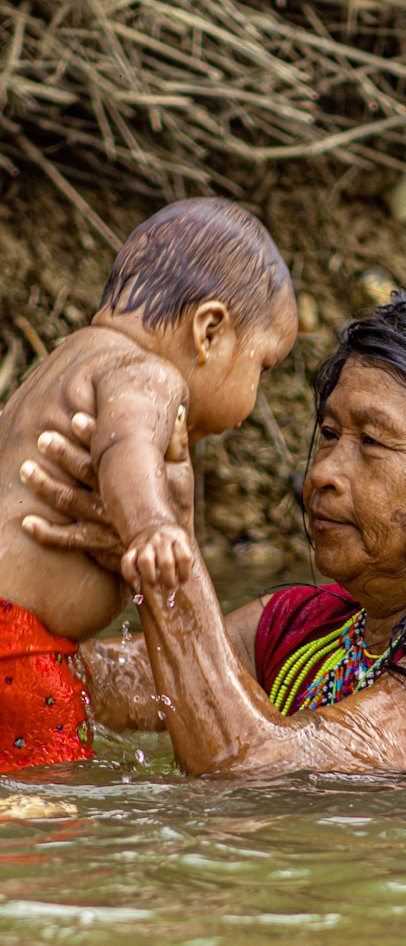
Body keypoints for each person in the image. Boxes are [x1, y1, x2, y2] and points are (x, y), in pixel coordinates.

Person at [21, 279, 406, 776]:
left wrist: (167, 563)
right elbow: (92, 688)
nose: (321, 474)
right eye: (331, 434)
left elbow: (259, 772)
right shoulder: (308, 626)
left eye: (373, 442)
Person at [0, 197, 297, 770]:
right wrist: (153, 524)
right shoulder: (148, 374)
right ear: (209, 330)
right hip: (16, 655)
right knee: (51, 820)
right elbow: (123, 448)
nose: (256, 394)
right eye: (263, 366)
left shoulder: (62, 361)